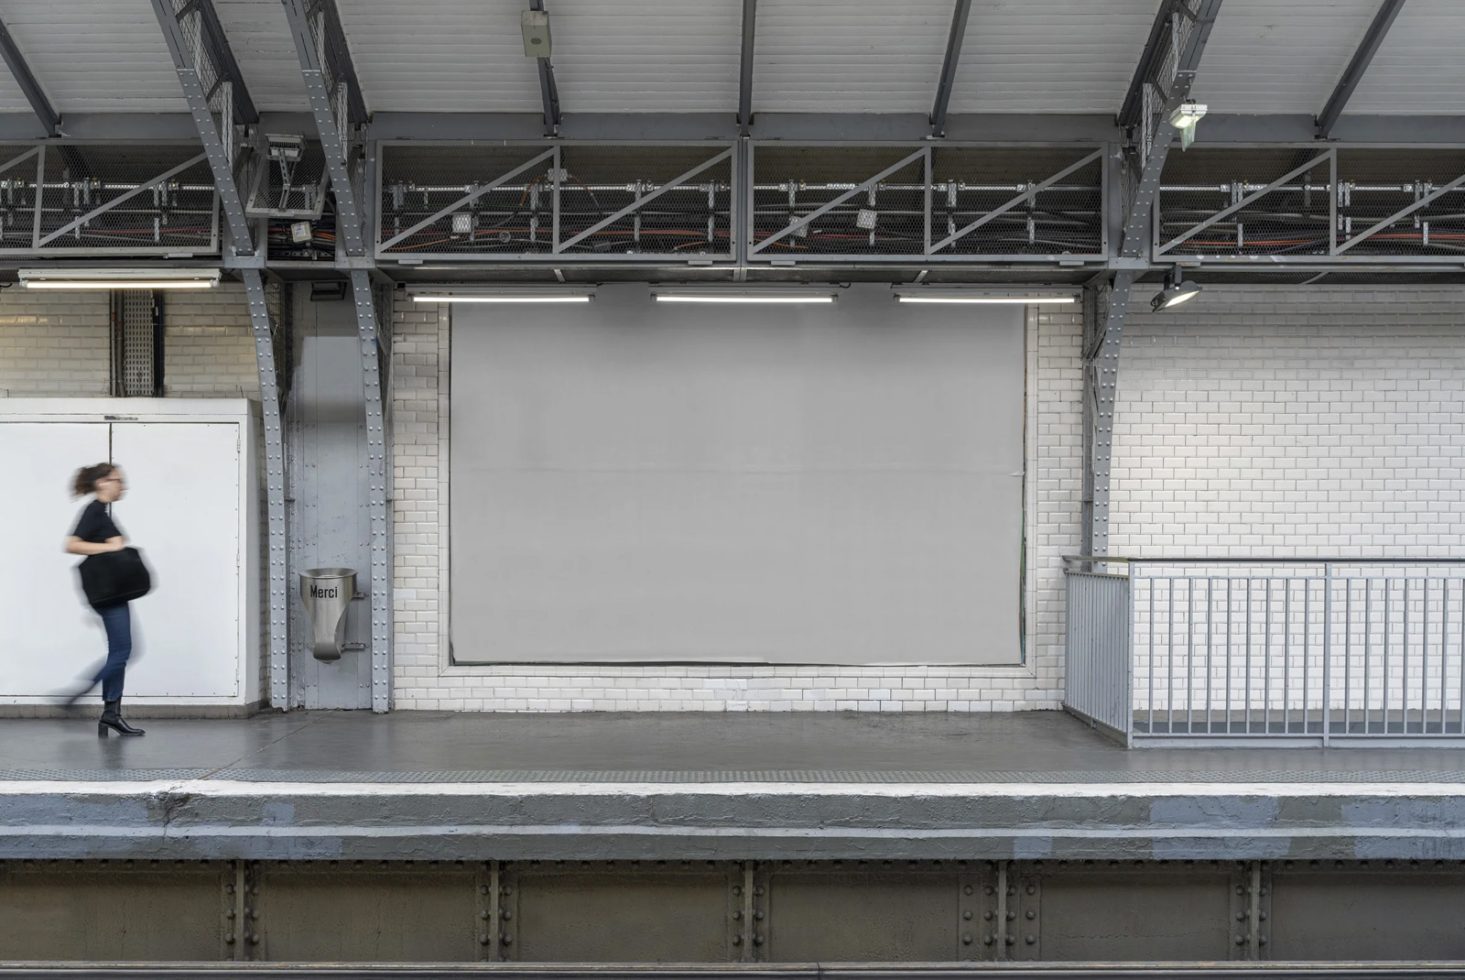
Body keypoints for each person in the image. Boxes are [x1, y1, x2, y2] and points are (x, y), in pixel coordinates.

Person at [63, 463, 145, 737]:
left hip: (113, 591)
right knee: (124, 651)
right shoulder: (94, 510)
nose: (122, 485)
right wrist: (109, 546)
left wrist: (114, 545)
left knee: (120, 652)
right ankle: (81, 691)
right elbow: (71, 544)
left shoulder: (102, 512)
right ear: (101, 482)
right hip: (107, 595)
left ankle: (111, 714)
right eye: (117, 480)